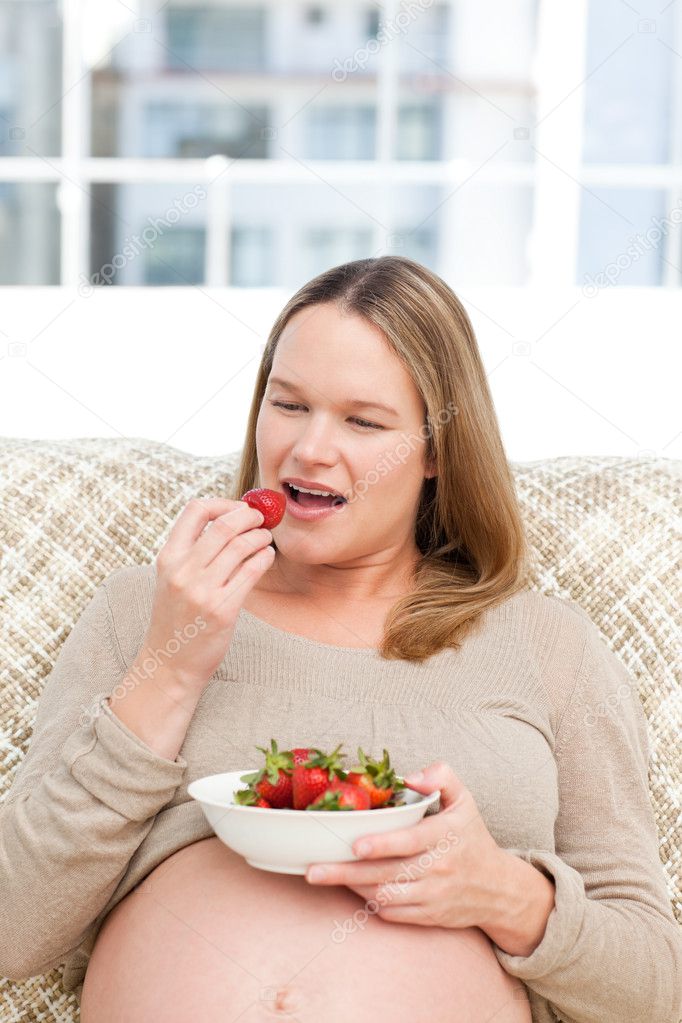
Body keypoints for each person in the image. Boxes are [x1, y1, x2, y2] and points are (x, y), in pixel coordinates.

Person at [1, 256, 680, 1023]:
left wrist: (510, 894)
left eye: (363, 422)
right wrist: (172, 669)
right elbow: (15, 929)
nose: (309, 451)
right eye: (288, 404)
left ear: (435, 452)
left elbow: (658, 989)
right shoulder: (146, 609)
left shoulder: (549, 646)